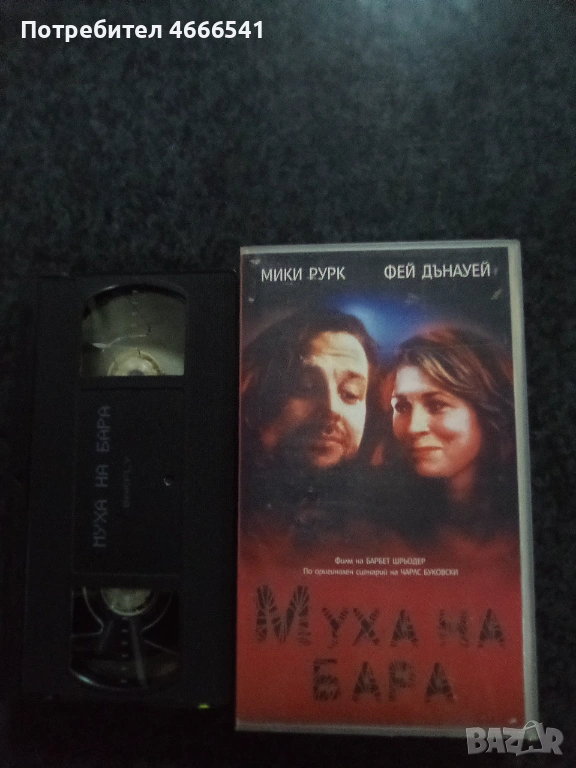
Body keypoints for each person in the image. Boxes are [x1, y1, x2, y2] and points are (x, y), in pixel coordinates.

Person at [240, 308, 383, 544]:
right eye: (305, 387)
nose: (332, 408)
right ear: (257, 399)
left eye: (350, 393)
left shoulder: (383, 533)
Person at [384, 325, 517, 544]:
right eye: (402, 407)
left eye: (437, 405)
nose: (413, 428)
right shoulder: (378, 521)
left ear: (486, 410)